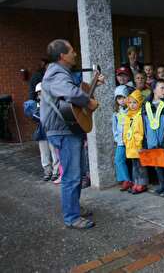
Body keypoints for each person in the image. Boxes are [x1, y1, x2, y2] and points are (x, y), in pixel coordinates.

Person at [41, 39, 103, 230]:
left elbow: (74, 96)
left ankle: (74, 207)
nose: (75, 53)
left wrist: (93, 87)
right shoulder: (55, 74)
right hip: (63, 130)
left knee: (78, 172)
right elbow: (70, 92)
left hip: (69, 128)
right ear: (62, 56)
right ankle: (72, 217)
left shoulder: (61, 73)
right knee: (71, 175)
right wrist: (88, 101)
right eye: (72, 51)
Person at [143, 79, 164, 196]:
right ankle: (162, 185)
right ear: (154, 89)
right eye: (162, 88)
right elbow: (144, 123)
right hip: (151, 140)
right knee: (157, 164)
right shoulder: (146, 105)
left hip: (163, 139)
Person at [25, 82, 60, 182]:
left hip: (51, 130)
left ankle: (56, 172)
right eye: (39, 93)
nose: (40, 94)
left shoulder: (51, 103)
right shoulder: (36, 105)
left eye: (41, 92)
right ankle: (47, 171)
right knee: (44, 154)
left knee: (54, 153)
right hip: (42, 132)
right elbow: (36, 118)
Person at [124, 90, 148, 195]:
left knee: (141, 165)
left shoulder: (139, 115)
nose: (132, 105)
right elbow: (125, 130)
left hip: (137, 145)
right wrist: (125, 141)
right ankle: (136, 182)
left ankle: (142, 183)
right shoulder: (128, 115)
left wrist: (139, 144)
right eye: (130, 102)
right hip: (130, 146)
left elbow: (140, 131)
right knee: (134, 165)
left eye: (135, 102)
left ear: (139, 103)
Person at [112, 85, 132, 191]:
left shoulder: (131, 110)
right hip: (121, 141)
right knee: (119, 159)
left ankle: (128, 180)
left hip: (130, 140)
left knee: (131, 161)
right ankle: (125, 179)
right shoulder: (116, 113)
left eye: (123, 97)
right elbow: (114, 127)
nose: (122, 100)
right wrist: (117, 138)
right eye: (119, 98)